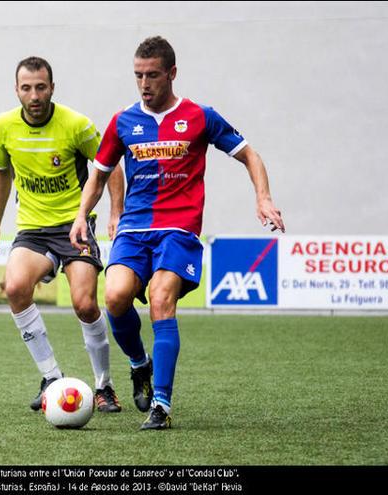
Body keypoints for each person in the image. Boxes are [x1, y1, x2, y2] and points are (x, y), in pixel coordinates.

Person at [70, 36, 285, 430]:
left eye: (152, 75)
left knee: (160, 297)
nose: (144, 83)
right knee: (115, 297)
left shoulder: (200, 116)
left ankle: (162, 406)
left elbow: (249, 154)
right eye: (138, 75)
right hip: (135, 228)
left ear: (171, 73)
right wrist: (82, 214)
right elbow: (99, 175)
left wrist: (263, 197)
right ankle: (139, 365)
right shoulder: (123, 122)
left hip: (179, 229)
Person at [0, 56, 126, 413]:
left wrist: (116, 213)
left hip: (75, 225)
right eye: (26, 88)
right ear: (16, 90)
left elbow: (110, 166)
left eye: (41, 87)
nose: (34, 95)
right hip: (33, 229)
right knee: (14, 288)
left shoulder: (76, 125)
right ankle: (50, 376)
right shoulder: (2, 127)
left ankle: (104, 387)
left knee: (85, 304)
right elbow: (2, 173)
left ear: (52, 88)